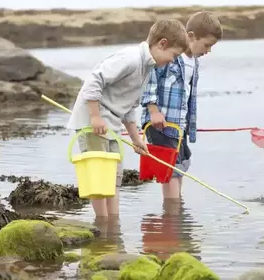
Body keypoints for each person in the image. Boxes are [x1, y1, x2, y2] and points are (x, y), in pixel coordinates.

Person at [67, 19, 188, 217]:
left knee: (114, 178)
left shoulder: (147, 69)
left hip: (112, 125)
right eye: (173, 55)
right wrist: (95, 116)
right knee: (99, 179)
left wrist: (136, 139)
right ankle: (103, 222)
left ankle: (114, 226)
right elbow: (94, 80)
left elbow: (129, 107)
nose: (173, 61)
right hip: (93, 123)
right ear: (162, 44)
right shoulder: (131, 59)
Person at [140, 11, 223, 199]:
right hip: (161, 123)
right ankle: (172, 211)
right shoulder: (169, 56)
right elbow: (149, 81)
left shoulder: (193, 62)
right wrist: (153, 111)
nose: (208, 51)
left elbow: (188, 94)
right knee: (170, 169)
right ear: (191, 36)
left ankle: (177, 212)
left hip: (180, 125)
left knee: (181, 163)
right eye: (207, 45)